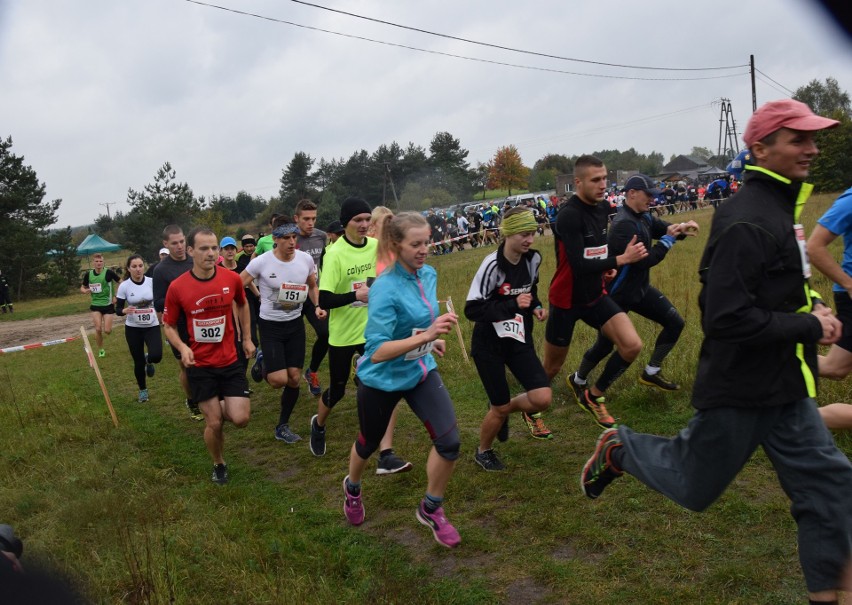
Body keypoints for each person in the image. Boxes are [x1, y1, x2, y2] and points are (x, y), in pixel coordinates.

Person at [581, 98, 852, 604]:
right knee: (692, 484)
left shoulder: (779, 208)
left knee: (831, 492)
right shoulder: (746, 218)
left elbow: (782, 287)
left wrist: (815, 307)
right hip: (743, 385)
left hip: (785, 386)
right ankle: (621, 447)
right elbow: (725, 318)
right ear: (760, 147)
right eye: (799, 139)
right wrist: (806, 326)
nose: (812, 149)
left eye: (813, 138)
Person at [342, 212, 462, 547]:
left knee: (449, 442)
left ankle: (431, 509)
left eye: (427, 242)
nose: (425, 249)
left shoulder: (429, 274)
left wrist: (429, 338)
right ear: (396, 245)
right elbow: (377, 351)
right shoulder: (384, 288)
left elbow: (419, 323)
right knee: (367, 443)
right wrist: (426, 335)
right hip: (381, 379)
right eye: (416, 244)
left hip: (419, 371)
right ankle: (352, 487)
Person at [542, 155, 648, 428]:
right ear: (577, 183)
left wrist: (605, 268)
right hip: (566, 300)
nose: (603, 185)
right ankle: (530, 406)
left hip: (594, 295)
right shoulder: (568, 215)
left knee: (631, 345)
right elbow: (577, 264)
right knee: (551, 369)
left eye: (604, 178)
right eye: (596, 180)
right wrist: (620, 260)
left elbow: (596, 251)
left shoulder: (602, 208)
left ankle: (594, 396)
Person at [570, 174, 698, 394]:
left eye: (654, 195)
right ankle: (578, 379)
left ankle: (651, 371)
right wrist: (667, 242)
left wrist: (682, 228)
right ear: (632, 194)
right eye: (649, 195)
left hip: (639, 290)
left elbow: (663, 228)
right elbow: (644, 261)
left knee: (675, 322)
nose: (653, 199)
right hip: (617, 294)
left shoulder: (644, 216)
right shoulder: (624, 225)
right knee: (606, 344)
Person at [311, 197, 411, 475]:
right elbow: (325, 299)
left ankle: (386, 454)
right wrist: (357, 294)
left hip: (373, 332)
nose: (365, 225)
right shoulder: (335, 253)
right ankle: (318, 424)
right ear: (346, 224)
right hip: (343, 334)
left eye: (368, 219)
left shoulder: (376, 248)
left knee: (386, 386)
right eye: (358, 220)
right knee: (339, 390)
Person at [163, 227, 255, 484]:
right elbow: (168, 325)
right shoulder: (177, 287)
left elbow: (243, 303)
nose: (211, 253)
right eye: (204, 248)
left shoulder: (231, 279)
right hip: (200, 365)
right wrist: (182, 348)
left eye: (214, 248)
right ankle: (219, 463)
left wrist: (246, 338)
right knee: (214, 424)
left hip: (230, 360)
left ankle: (214, 403)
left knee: (241, 418)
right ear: (190, 251)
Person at [465, 208, 552, 471]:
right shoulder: (492, 265)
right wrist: (513, 304)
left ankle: (500, 409)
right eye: (524, 234)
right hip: (488, 343)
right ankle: (484, 451)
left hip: (518, 339)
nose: (530, 240)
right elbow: (472, 310)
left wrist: (535, 306)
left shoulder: (533, 260)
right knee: (499, 407)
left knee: (542, 397)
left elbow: (530, 290)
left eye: (533, 233)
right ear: (509, 234)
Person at [242, 217, 325, 443]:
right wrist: (253, 300)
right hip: (270, 325)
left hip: (294, 324)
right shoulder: (262, 262)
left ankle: (282, 426)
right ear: (275, 239)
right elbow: (238, 284)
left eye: (294, 237)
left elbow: (312, 285)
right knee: (278, 379)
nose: (291, 242)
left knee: (294, 378)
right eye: (286, 238)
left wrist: (317, 305)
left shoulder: (305, 259)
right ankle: (263, 361)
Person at [807, 186, 852, 430]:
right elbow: (814, 247)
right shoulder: (851, 200)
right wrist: (849, 285)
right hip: (850, 295)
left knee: (836, 368)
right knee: (836, 367)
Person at [152, 225, 200, 420]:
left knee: (204, 362)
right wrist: (180, 298)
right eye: (174, 243)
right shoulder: (161, 270)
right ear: (165, 244)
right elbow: (158, 301)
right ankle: (191, 399)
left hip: (200, 321)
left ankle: (210, 397)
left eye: (182, 241)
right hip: (177, 325)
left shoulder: (195, 260)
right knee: (186, 366)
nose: (180, 246)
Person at [292, 200, 331, 397]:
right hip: (293, 295)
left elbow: (326, 262)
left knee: (326, 333)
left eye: (313, 218)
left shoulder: (321, 237)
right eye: (306, 219)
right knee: (292, 339)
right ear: (296, 218)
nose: (311, 223)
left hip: (315, 293)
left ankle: (312, 371)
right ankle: (285, 371)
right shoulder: (289, 238)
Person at [115, 255, 162, 402]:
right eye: (134, 266)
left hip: (152, 326)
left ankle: (149, 359)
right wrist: (123, 311)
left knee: (157, 356)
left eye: (140, 265)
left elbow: (160, 301)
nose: (138, 269)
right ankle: (143, 390)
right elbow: (117, 308)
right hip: (133, 328)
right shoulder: (124, 286)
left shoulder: (152, 282)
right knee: (138, 362)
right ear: (129, 269)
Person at [80, 252, 120, 358]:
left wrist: (116, 296)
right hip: (95, 304)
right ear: (93, 263)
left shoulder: (109, 273)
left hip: (108, 304)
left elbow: (121, 282)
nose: (99, 263)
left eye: (101, 261)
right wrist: (85, 291)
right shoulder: (89, 275)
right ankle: (101, 349)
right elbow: (82, 287)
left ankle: (105, 334)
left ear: (103, 262)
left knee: (107, 331)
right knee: (98, 329)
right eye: (97, 261)